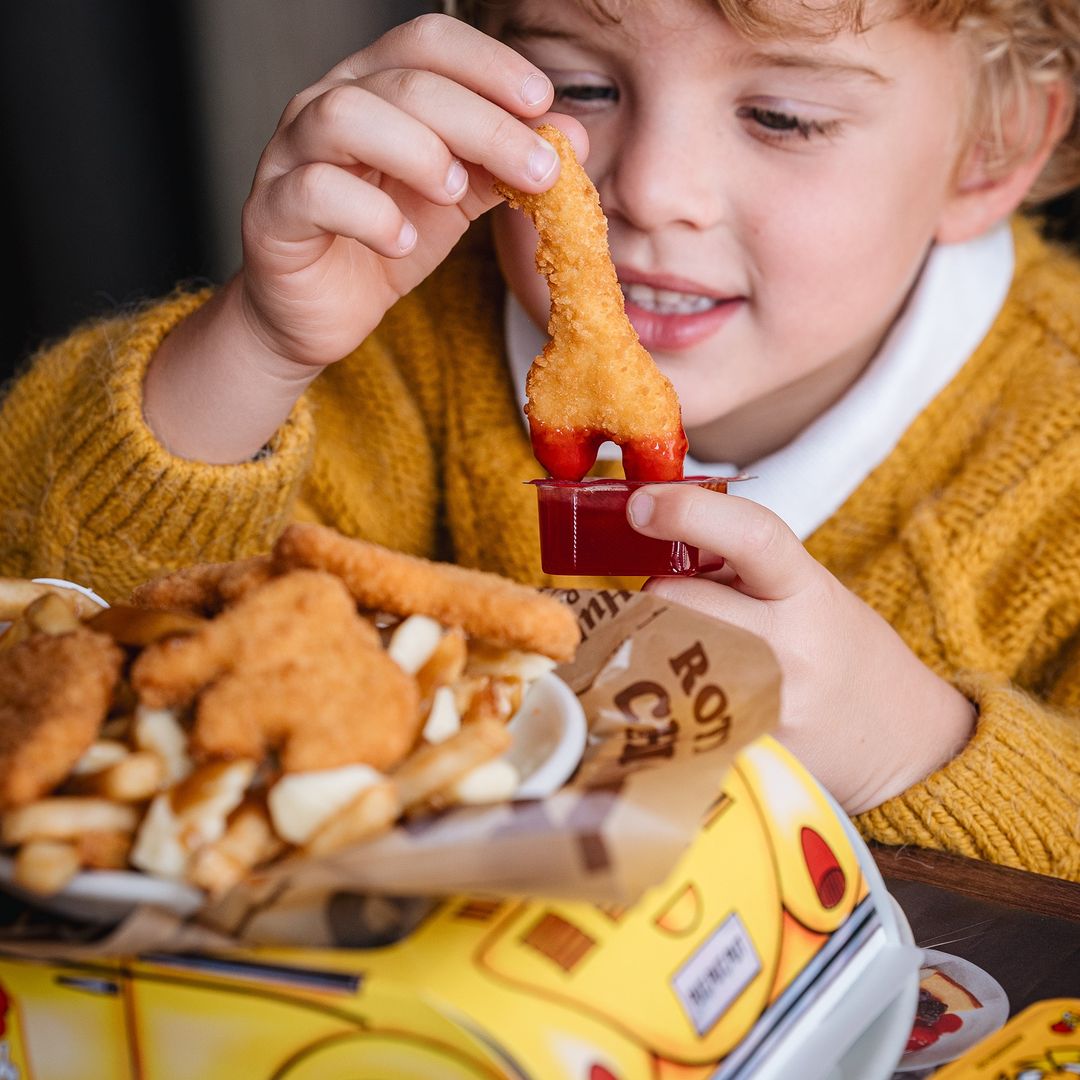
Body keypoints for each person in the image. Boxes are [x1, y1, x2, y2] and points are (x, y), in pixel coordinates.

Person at [0, 0, 1077, 881]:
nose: (650, 189)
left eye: (783, 117)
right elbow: (49, 617)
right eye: (584, 88)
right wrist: (257, 345)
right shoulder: (402, 338)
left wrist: (915, 747)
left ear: (991, 150)